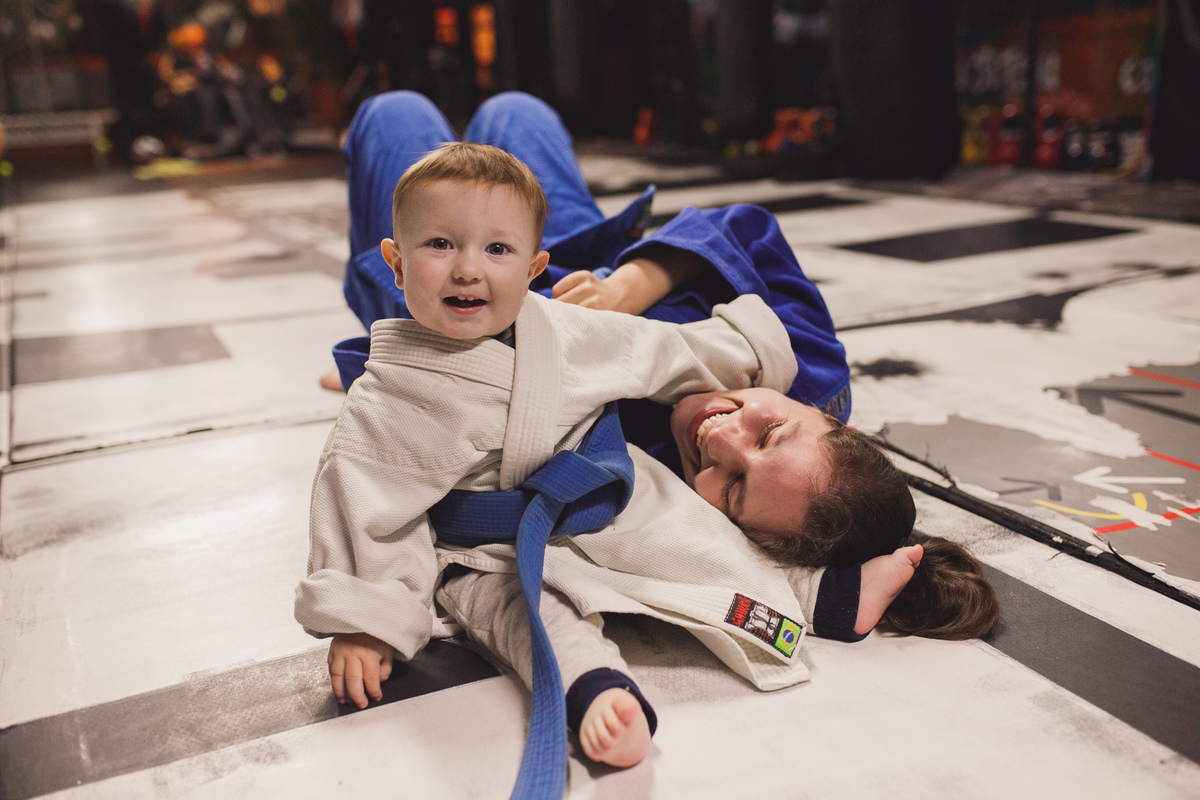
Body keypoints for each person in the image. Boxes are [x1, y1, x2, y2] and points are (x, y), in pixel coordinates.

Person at [306, 90, 998, 773]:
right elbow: (742, 238)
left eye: (730, 490)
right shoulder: (807, 370)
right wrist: (631, 287)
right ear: (820, 412)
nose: (719, 439)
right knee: (519, 111)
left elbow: (715, 561)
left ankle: (429, 281)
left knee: (394, 114)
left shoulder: (701, 505)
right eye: (768, 433)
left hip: (444, 292)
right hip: (580, 262)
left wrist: (413, 368)